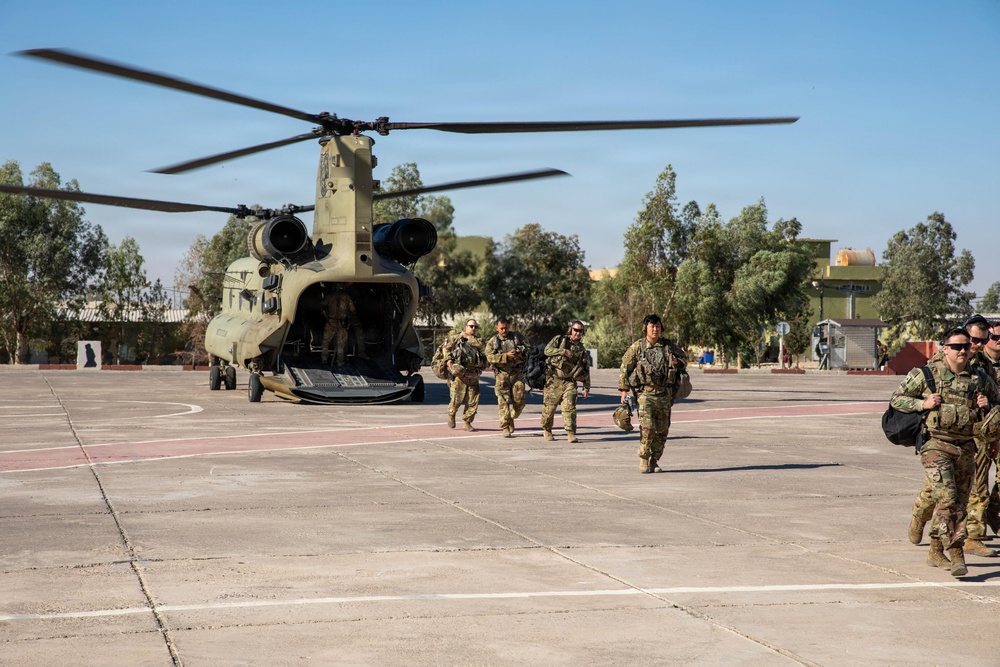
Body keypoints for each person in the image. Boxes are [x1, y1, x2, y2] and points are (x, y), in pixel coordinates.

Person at [890, 326, 1000, 577]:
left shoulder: (980, 378)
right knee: (949, 500)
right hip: (935, 445)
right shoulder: (927, 374)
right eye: (957, 346)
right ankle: (957, 552)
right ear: (945, 348)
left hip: (966, 447)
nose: (963, 350)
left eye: (966, 346)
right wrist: (922, 403)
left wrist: (988, 404)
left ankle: (935, 551)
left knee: (956, 501)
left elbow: (996, 409)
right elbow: (897, 398)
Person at [618, 314, 689, 474]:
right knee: (648, 427)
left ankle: (654, 460)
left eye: (657, 326)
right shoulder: (638, 347)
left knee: (662, 430)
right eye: (652, 326)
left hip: (665, 394)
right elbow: (625, 367)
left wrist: (678, 362)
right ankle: (644, 458)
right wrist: (624, 390)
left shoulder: (668, 346)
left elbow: (684, 359)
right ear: (646, 329)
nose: (655, 329)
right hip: (645, 394)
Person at [540, 320, 591, 443]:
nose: (577, 333)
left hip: (569, 382)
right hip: (554, 380)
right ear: (570, 330)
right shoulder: (560, 340)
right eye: (575, 330)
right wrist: (562, 351)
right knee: (549, 409)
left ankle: (571, 432)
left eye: (580, 331)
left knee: (570, 408)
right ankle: (547, 430)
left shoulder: (582, 350)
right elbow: (547, 350)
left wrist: (586, 387)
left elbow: (586, 369)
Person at [485, 317, 529, 438]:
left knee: (520, 402)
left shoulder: (517, 337)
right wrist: (506, 356)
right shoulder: (493, 341)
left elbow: (529, 348)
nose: (504, 330)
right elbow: (489, 356)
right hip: (502, 375)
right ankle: (505, 427)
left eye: (506, 328)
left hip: (517, 374)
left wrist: (521, 352)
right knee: (503, 402)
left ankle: (511, 417)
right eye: (501, 328)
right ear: (497, 328)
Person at [445, 319, 488, 431]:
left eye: (475, 327)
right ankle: (451, 414)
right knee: (456, 399)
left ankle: (467, 422)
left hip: (473, 373)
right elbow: (446, 349)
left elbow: (484, 349)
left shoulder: (479, 341)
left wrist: (468, 338)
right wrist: (448, 360)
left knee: (473, 400)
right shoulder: (456, 338)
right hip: (460, 373)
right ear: (466, 326)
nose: (473, 328)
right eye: (471, 326)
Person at [321, 285, 366, 366]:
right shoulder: (346, 297)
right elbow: (352, 310)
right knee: (341, 344)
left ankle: (324, 358)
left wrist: (327, 317)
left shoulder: (329, 296)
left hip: (331, 321)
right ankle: (340, 361)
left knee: (325, 341)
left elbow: (323, 307)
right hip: (342, 323)